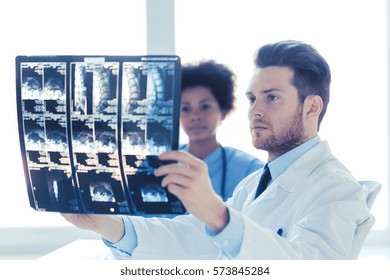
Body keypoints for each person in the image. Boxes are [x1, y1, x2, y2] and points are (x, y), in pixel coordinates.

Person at [63, 40, 371, 259]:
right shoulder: (255, 184)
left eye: (272, 97)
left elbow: (310, 268)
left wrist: (215, 211)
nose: (256, 112)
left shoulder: (337, 189)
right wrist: (105, 223)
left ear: (311, 107)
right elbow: (193, 236)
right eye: (252, 99)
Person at [179, 60, 264, 200]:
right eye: (185, 109)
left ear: (223, 111)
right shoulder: (160, 165)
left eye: (205, 107)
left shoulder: (250, 169)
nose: (194, 116)